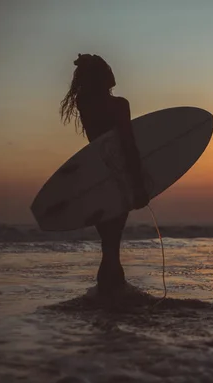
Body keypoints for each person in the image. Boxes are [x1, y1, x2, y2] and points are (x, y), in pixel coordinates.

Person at [59, 53, 149, 298]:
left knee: (108, 242)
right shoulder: (119, 105)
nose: (113, 73)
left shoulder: (84, 103)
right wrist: (139, 184)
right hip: (118, 175)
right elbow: (127, 144)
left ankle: (106, 294)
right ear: (102, 76)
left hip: (95, 174)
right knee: (112, 242)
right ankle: (113, 294)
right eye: (108, 69)